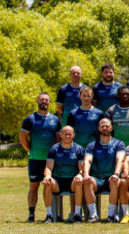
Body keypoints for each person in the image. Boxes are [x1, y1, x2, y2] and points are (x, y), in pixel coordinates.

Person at [19, 92, 61, 222]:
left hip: (50, 161)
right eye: (42, 99)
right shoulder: (30, 119)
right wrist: (31, 150)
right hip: (35, 160)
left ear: (49, 102)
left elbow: (58, 139)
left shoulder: (54, 120)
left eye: (46, 100)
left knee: (48, 186)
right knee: (34, 187)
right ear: (37, 101)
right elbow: (22, 138)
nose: (44, 102)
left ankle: (50, 214)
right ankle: (31, 215)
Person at [82, 118, 126, 223]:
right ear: (99, 128)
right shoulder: (91, 145)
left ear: (111, 128)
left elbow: (120, 159)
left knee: (115, 181)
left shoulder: (119, 144)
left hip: (111, 177)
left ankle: (111, 216)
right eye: (102, 126)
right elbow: (87, 161)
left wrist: (116, 174)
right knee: (87, 182)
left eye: (107, 126)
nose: (105, 128)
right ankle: (93, 216)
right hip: (96, 178)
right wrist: (86, 175)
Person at [41, 126, 84, 224]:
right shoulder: (54, 149)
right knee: (47, 183)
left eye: (70, 134)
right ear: (60, 135)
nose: (67, 136)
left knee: (79, 182)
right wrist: (47, 176)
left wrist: (80, 175)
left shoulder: (79, 149)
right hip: (58, 181)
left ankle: (77, 215)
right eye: (65, 134)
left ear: (74, 135)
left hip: (72, 180)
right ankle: (49, 215)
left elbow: (82, 168)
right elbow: (48, 167)